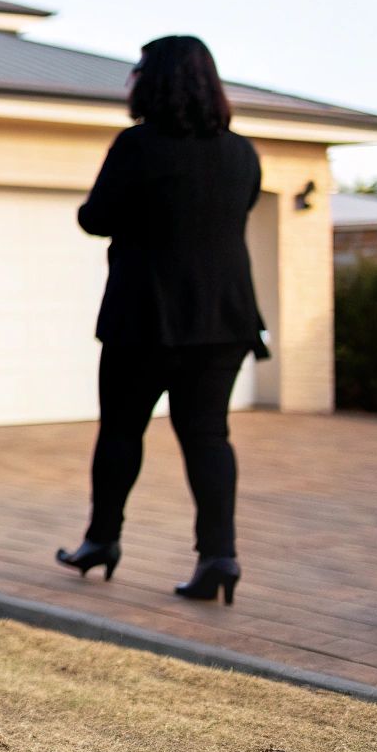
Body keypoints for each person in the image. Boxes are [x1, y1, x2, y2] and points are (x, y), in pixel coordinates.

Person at [55, 35, 268, 605]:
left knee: (122, 430)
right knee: (208, 436)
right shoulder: (241, 153)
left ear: (152, 81)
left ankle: (101, 542)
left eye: (138, 71)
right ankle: (218, 557)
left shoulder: (138, 146)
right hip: (224, 319)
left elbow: (96, 218)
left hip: (144, 316)